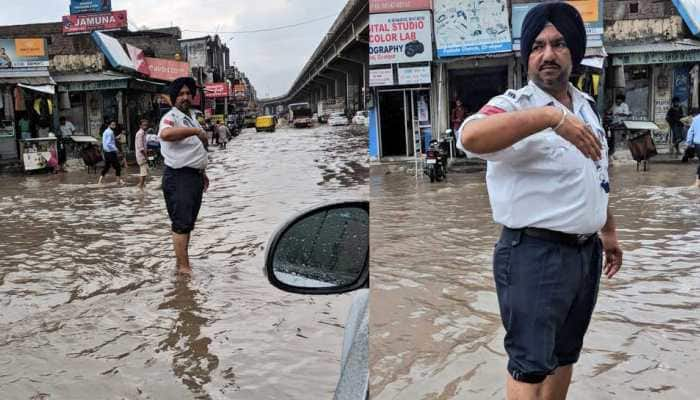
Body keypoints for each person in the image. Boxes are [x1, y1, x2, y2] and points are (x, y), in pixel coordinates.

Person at [457, 3, 623, 399]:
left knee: (566, 355)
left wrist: (609, 230)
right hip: (532, 253)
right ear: (527, 56)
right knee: (529, 367)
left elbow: (594, 175)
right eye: (537, 46)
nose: (547, 54)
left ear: (574, 52)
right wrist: (551, 119)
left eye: (558, 44)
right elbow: (470, 137)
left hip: (584, 255)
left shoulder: (585, 106)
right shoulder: (516, 104)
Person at [158, 77, 209, 276]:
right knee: (181, 224)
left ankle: (183, 264)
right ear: (174, 97)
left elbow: (193, 150)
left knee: (188, 223)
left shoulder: (190, 116)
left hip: (193, 176)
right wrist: (196, 131)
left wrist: (202, 172)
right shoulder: (171, 117)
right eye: (180, 94)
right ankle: (183, 268)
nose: (185, 97)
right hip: (179, 177)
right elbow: (166, 134)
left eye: (188, 93)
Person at [97, 120, 124, 185]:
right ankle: (118, 181)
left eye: (114, 124)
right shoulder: (110, 132)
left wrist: (116, 138)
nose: (114, 126)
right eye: (112, 125)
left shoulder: (106, 131)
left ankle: (99, 181)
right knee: (118, 167)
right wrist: (116, 149)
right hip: (110, 152)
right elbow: (109, 143)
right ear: (109, 125)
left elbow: (108, 141)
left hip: (106, 152)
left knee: (107, 167)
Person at [684, 108, 700, 187]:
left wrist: (689, 144)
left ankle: (697, 182)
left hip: (698, 144)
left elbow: (690, 132)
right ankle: (697, 182)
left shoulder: (695, 119)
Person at [134, 119, 149, 190]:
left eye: (146, 125)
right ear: (140, 126)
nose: (145, 126)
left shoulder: (142, 133)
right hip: (141, 156)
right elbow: (141, 147)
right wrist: (146, 156)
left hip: (142, 155)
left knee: (144, 172)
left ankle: (141, 186)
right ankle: (140, 187)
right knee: (143, 172)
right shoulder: (140, 133)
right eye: (144, 125)